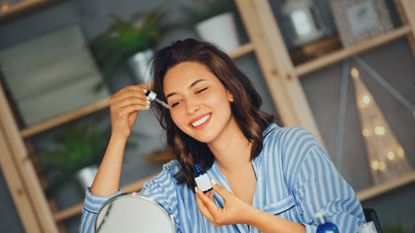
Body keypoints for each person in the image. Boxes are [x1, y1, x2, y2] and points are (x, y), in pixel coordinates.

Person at [80, 39, 365, 233]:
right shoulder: (176, 184)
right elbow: (100, 228)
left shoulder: (292, 148)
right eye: (176, 102)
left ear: (229, 90)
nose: (191, 108)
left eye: (201, 90)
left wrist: (251, 217)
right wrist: (118, 136)